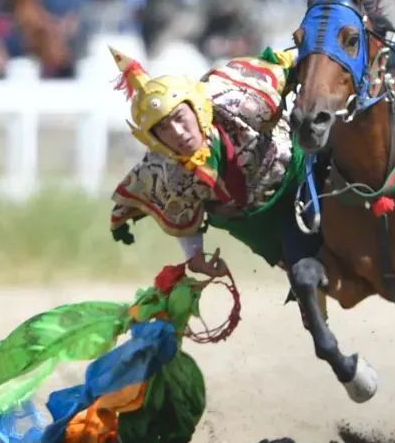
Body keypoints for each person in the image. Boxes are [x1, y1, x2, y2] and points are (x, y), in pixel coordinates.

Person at [106, 46, 320, 280]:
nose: (177, 133)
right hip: (256, 222)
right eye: (163, 129)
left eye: (179, 118)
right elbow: (181, 209)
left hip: (297, 172)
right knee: (300, 272)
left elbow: (287, 65)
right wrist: (197, 259)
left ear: (195, 107)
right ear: (153, 139)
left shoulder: (238, 98)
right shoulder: (163, 170)